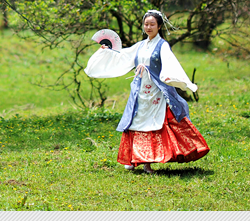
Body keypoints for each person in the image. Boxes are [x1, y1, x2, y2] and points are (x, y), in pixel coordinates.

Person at [84, 10, 209, 174]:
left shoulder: (162, 45)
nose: (148, 27)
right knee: (136, 122)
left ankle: (148, 163)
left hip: (156, 93)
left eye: (152, 24)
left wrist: (154, 71)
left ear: (159, 26)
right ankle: (135, 158)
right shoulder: (141, 45)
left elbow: (170, 65)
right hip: (139, 92)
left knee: (153, 124)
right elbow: (123, 55)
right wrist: (106, 51)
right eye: (146, 24)